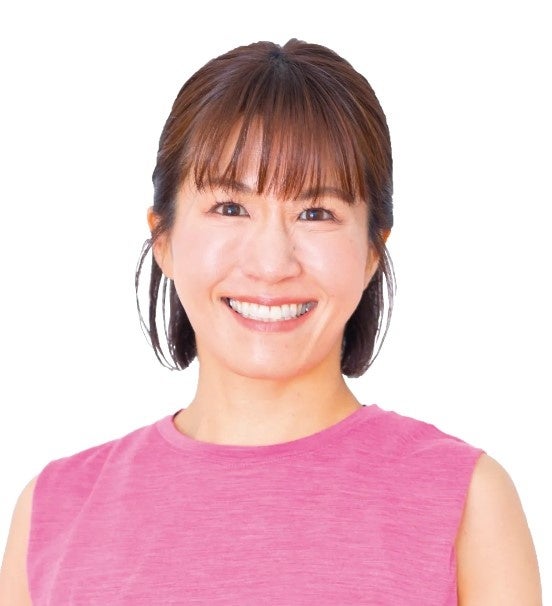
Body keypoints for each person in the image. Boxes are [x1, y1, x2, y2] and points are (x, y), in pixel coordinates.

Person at [0, 39, 541, 605]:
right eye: (230, 208)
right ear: (163, 237)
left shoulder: (466, 502)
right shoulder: (52, 512)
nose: (271, 263)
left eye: (316, 213)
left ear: (372, 252)